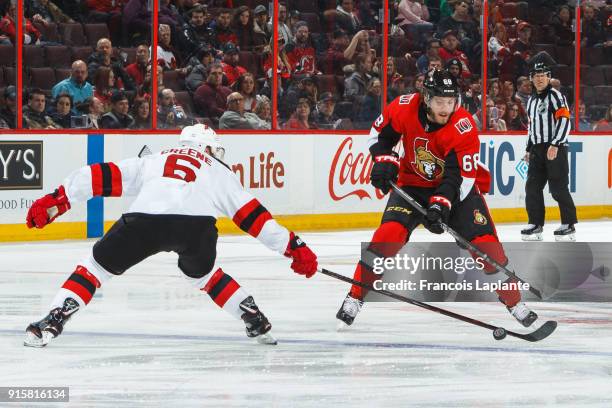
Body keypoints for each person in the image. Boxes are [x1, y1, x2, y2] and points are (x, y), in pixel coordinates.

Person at [23, 124, 318, 347]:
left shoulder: (155, 159)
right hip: (196, 229)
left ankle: (55, 319)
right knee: (204, 275)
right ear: (209, 148)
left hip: (145, 221)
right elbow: (253, 217)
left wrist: (57, 199)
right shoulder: (219, 170)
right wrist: (293, 246)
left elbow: (98, 176)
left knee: (95, 269)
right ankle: (252, 316)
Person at [335, 69, 538, 329]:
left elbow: (459, 178)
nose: (446, 108)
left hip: (457, 193)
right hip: (412, 187)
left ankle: (515, 303)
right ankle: (355, 297)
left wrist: (441, 204)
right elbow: (379, 136)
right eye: (440, 101)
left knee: (487, 248)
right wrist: (384, 160)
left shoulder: (463, 126)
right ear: (426, 99)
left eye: (451, 101)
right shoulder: (404, 107)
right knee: (387, 237)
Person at [521, 62, 577, 241]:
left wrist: (556, 144)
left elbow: (564, 121)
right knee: (532, 186)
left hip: (555, 147)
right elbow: (532, 128)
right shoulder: (531, 101)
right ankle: (535, 224)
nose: (539, 78)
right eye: (536, 75)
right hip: (537, 149)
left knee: (558, 188)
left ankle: (568, 224)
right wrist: (529, 149)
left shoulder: (555, 96)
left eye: (543, 75)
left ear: (548, 77)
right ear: (531, 78)